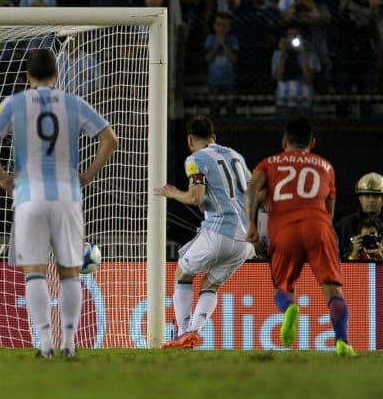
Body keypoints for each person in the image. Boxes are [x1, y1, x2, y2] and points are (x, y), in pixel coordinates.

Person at [0, 49, 118, 358]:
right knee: (69, 271)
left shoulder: (14, 103)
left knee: (35, 272)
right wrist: (88, 175)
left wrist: (2, 177)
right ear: (57, 75)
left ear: (27, 77)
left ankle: (44, 343)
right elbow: (110, 139)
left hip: (30, 197)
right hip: (67, 195)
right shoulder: (73, 103)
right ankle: (69, 342)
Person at [245, 118, 355, 356]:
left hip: (284, 229)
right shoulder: (325, 166)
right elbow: (330, 209)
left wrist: (252, 223)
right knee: (333, 289)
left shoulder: (269, 163)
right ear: (312, 142)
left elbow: (252, 187)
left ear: (284, 141)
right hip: (319, 225)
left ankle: (290, 308)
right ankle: (342, 342)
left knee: (282, 288)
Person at [156, 116, 254, 348]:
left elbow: (195, 196)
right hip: (244, 240)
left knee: (182, 272)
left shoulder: (195, 159)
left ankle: (182, 332)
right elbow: (253, 192)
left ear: (190, 140)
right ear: (214, 138)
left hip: (218, 232)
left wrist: (173, 193)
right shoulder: (235, 155)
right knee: (210, 284)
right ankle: (193, 332)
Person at [335, 172, 383, 260]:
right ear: (360, 198)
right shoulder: (343, 226)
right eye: (367, 195)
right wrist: (353, 255)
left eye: (376, 196)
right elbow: (332, 260)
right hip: (352, 273)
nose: (371, 200)